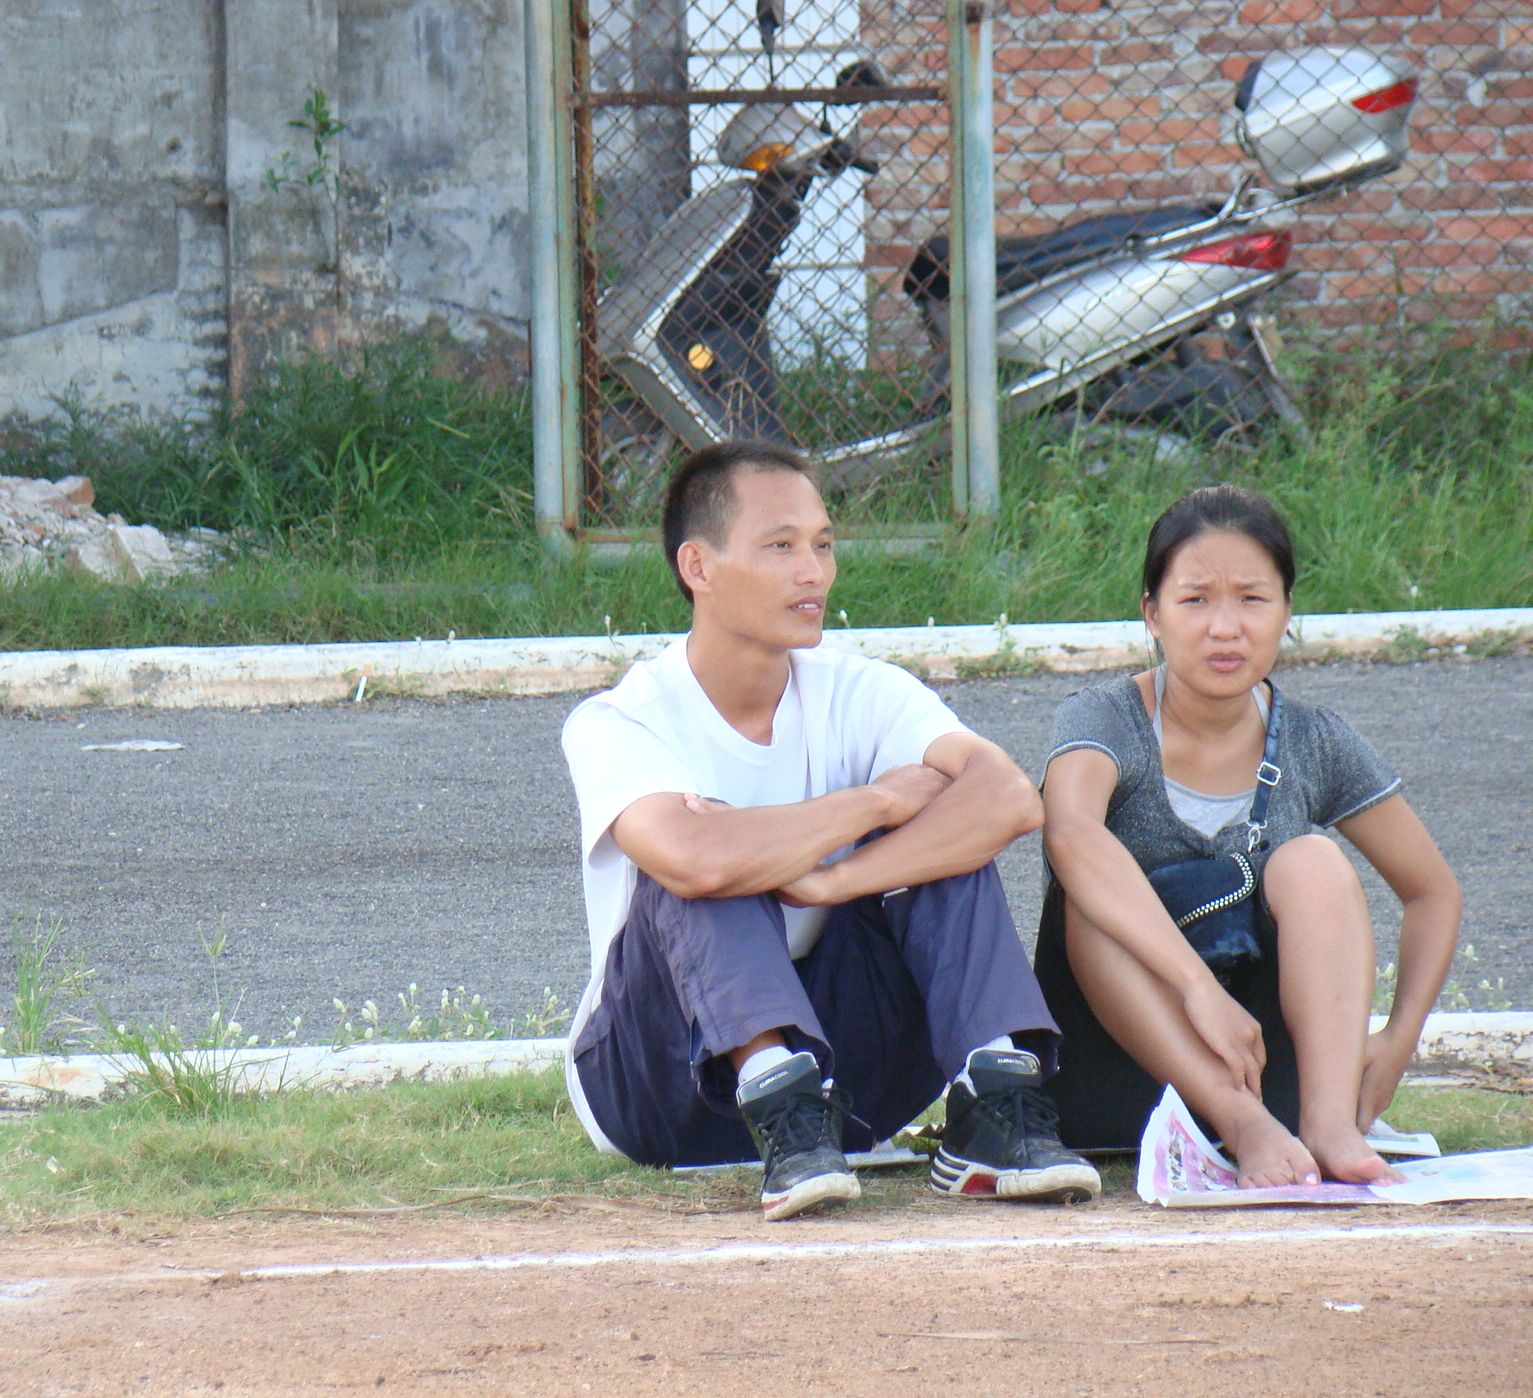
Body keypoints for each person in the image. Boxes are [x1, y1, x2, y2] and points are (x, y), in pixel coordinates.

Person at [560, 440, 1099, 1219]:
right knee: (707, 860)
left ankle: (994, 1097)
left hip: (849, 1083)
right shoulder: (620, 721)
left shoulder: (861, 690)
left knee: (942, 833)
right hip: (661, 1084)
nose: (813, 572)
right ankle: (773, 1087)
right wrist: (874, 803)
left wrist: (832, 879)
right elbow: (693, 859)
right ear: (698, 567)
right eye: (780, 547)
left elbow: (1009, 799)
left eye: (823, 545)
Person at [1037, 484, 1463, 1186]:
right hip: (1119, 1071)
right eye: (1195, 600)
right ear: (1152, 613)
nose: (1225, 627)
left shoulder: (1317, 741)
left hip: (1265, 1068)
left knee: (1313, 862)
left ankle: (1328, 1124)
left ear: (1287, 612)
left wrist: (1397, 1039)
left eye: (1253, 599)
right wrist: (1196, 988)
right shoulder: (1102, 716)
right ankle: (1243, 1127)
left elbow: (1433, 893)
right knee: (1092, 889)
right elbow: (1071, 836)